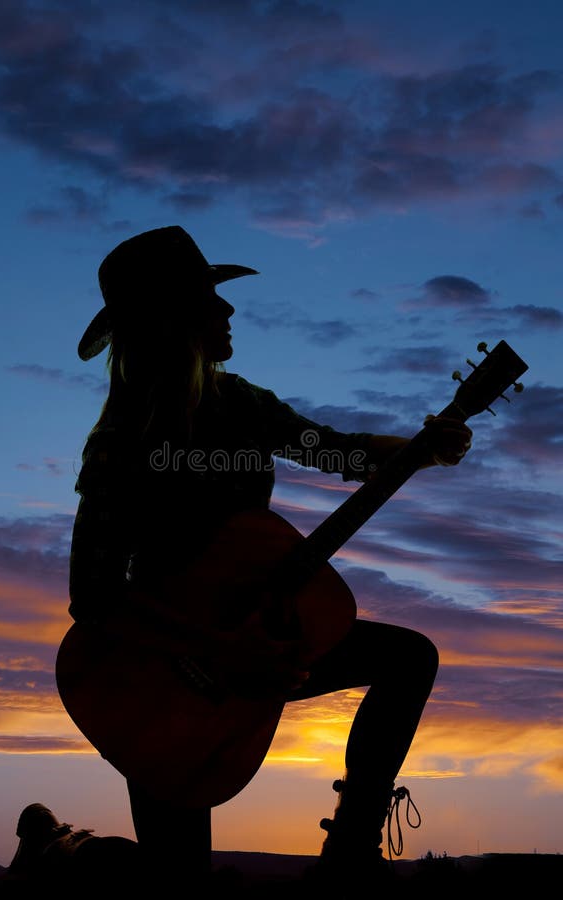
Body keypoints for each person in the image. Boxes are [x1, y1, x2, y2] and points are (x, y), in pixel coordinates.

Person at [64, 226, 472, 894]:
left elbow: (327, 449)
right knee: (176, 883)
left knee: (408, 658)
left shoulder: (238, 403)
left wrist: (421, 448)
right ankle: (69, 856)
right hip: (160, 678)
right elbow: (95, 594)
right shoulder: (120, 441)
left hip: (251, 645)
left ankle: (351, 843)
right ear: (168, 319)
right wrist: (219, 649)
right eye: (208, 300)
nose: (228, 312)